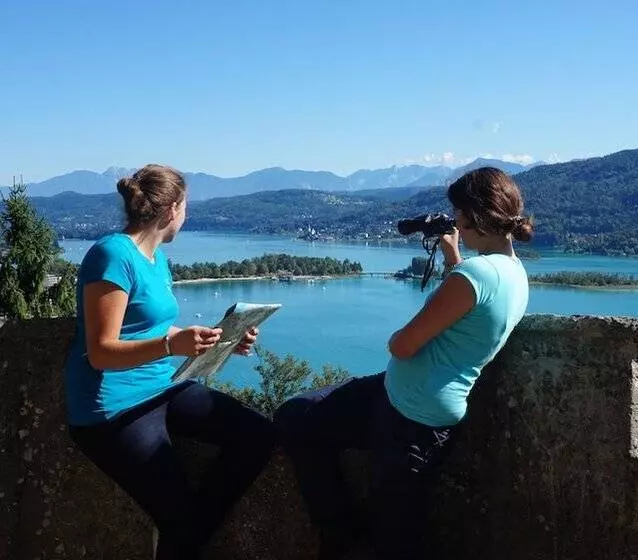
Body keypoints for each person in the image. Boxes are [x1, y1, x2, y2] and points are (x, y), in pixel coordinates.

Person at [274, 166, 533, 559]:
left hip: (411, 420)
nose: (457, 225)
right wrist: (452, 257)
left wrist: (394, 337)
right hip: (413, 404)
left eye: (460, 215)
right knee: (298, 418)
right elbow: (466, 314)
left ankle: (338, 526)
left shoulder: (475, 274)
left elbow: (404, 346)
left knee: (395, 539)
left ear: (476, 215)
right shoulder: (513, 272)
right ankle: (341, 531)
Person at [63, 164, 276, 560]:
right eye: (187, 206)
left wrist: (219, 340)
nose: (187, 215)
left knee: (259, 434)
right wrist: (170, 344)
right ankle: (185, 528)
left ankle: (187, 527)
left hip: (164, 385)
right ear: (172, 208)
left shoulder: (157, 260)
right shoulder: (111, 255)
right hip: (113, 409)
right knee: (182, 524)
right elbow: (102, 351)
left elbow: (154, 327)